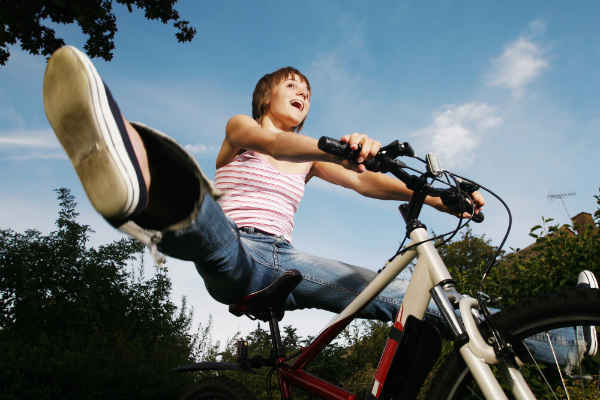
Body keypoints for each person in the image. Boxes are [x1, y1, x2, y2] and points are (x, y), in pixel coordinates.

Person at [43, 46, 595, 367]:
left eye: (306, 88)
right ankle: (144, 184)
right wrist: (335, 143)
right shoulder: (244, 129)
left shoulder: (308, 159)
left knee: (405, 294)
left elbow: (366, 185)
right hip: (240, 249)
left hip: (284, 259)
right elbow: (279, 145)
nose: (301, 90)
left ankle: (562, 343)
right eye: (290, 85)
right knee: (208, 228)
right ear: (266, 98)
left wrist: (440, 198)